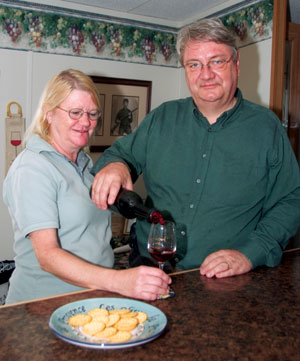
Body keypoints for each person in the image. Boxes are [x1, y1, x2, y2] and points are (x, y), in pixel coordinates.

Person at [90, 18, 300, 279]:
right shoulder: (161, 117)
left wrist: (251, 252)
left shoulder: (266, 128)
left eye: (217, 61)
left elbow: (291, 200)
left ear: (236, 64)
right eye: (195, 64)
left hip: (223, 281)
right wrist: (115, 165)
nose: (206, 73)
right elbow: (118, 155)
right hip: (146, 270)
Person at [3, 69, 170, 304]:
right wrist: (118, 281)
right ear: (48, 114)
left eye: (92, 113)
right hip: (42, 306)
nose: (85, 122)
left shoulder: (84, 162)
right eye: (75, 112)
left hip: (88, 298)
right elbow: (48, 256)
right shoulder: (32, 168)